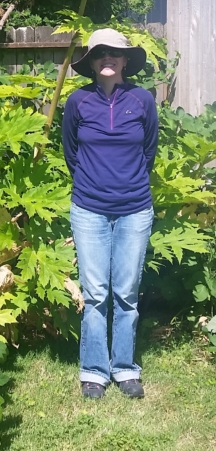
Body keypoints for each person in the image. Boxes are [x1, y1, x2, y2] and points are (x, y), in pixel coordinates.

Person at [62, 28, 158, 399]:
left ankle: (124, 368)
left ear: (124, 61)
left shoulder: (142, 100)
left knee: (126, 292)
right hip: (89, 209)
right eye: (99, 53)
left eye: (113, 53)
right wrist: (96, 185)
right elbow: (71, 152)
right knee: (96, 292)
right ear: (91, 61)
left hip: (134, 209)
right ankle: (94, 371)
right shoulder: (78, 102)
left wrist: (125, 184)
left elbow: (148, 150)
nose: (107, 58)